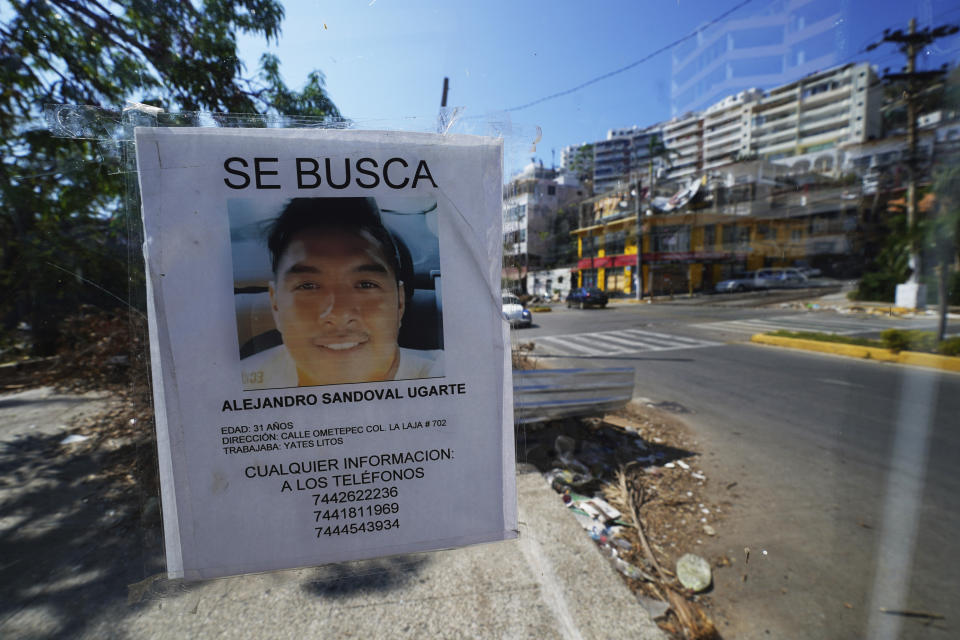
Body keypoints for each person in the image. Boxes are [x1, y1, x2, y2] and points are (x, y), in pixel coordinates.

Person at [240, 197, 442, 389]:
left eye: (365, 285)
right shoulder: (242, 382)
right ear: (276, 305)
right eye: (308, 286)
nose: (339, 314)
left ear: (399, 302)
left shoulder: (447, 376)